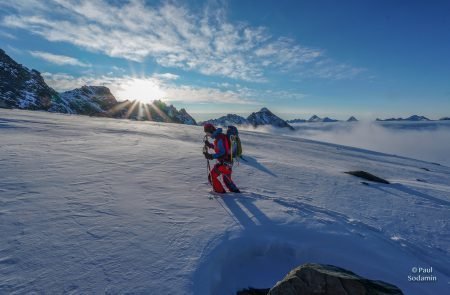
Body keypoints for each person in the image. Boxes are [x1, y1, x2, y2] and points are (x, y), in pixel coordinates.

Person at [203, 123, 240, 194]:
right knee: (226, 180)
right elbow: (220, 148)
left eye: (207, 133)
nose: (208, 135)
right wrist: (210, 145)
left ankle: (220, 192)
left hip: (224, 163)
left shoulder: (219, 138)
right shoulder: (221, 136)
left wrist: (211, 156)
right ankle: (236, 192)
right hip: (228, 163)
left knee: (212, 177)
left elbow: (222, 152)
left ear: (211, 131)